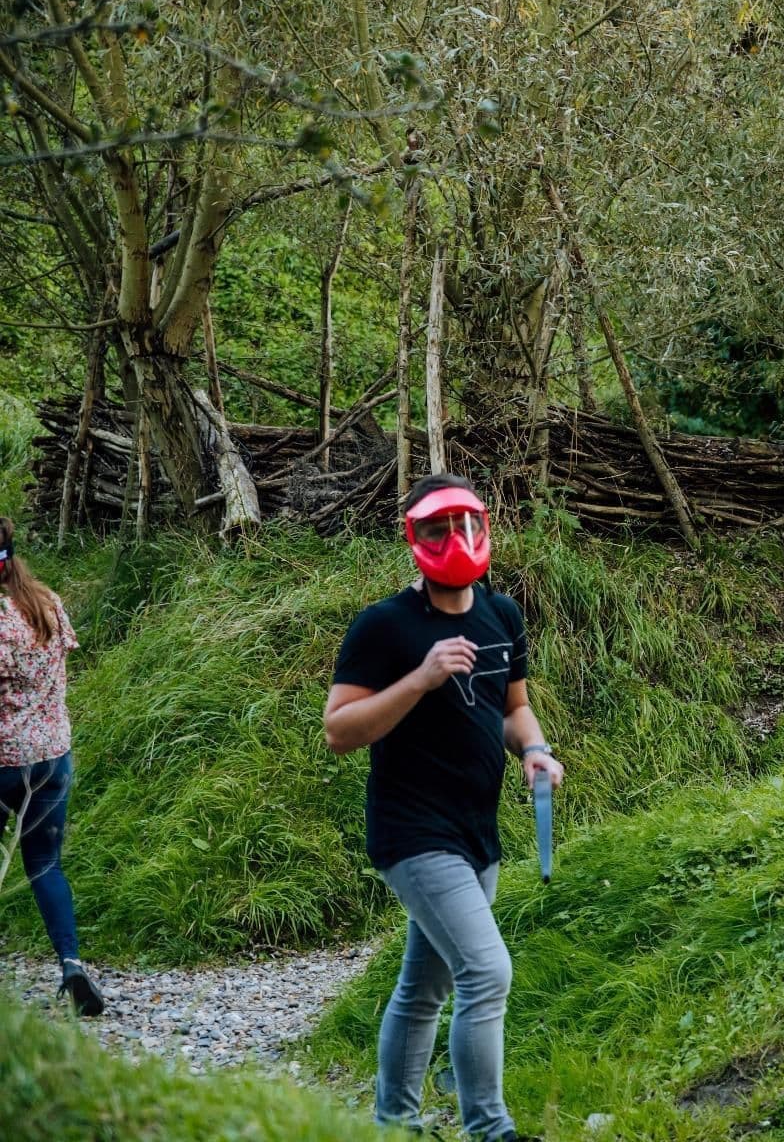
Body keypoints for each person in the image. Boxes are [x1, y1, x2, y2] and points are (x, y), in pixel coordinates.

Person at [324, 475, 563, 1142]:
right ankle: (491, 1131)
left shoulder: (500, 614)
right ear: (413, 538)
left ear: (484, 529)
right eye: (436, 528)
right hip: (412, 833)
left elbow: (514, 708)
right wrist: (422, 677)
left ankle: (393, 1125)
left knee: (422, 989)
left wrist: (534, 751)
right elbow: (339, 730)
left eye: (464, 524)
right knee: (487, 972)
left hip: (475, 830)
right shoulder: (384, 626)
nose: (452, 539)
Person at [0, 517, 105, 1015]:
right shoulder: (45, 602)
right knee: (45, 865)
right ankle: (72, 965)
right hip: (52, 757)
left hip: (2, 760)